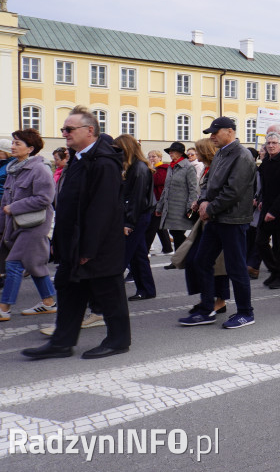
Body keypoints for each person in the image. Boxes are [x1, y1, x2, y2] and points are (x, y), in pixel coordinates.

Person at [23, 106, 130, 359]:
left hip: (97, 245)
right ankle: (62, 342)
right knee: (69, 288)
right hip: (75, 241)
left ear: (89, 131)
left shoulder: (103, 162)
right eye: (63, 129)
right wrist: (60, 242)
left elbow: (101, 210)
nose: (64, 133)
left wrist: (88, 249)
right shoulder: (80, 158)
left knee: (109, 292)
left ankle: (118, 340)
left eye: (69, 129)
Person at [178, 117, 257, 329]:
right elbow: (208, 184)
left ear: (230, 131)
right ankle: (207, 309)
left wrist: (208, 208)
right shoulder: (222, 153)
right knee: (201, 261)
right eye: (210, 132)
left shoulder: (242, 155)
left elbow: (234, 191)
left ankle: (245, 312)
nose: (211, 136)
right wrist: (203, 201)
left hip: (233, 219)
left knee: (236, 267)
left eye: (215, 132)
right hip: (216, 218)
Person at [0, 129, 57, 321]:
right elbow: (5, 203)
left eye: (18, 143)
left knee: (14, 263)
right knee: (33, 264)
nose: (13, 146)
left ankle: (4, 308)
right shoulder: (13, 169)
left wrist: (14, 208)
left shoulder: (40, 169)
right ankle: (49, 302)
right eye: (13, 142)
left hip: (35, 224)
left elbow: (44, 199)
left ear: (30, 149)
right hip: (16, 224)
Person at [114, 134, 158, 301]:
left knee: (124, 255)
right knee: (138, 255)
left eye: (118, 149)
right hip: (137, 215)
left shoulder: (138, 168)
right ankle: (147, 289)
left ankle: (109, 295)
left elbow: (137, 199)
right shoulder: (136, 167)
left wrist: (129, 222)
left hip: (136, 217)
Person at [256, 132, 280, 290]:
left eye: (274, 143)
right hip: (266, 208)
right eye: (269, 143)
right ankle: (275, 271)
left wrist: (273, 211)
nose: (271, 145)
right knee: (260, 242)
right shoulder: (266, 162)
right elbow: (264, 187)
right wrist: (261, 201)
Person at [156, 141, 199, 250]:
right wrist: (160, 207)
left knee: (176, 232)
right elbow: (166, 188)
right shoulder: (171, 167)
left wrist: (190, 208)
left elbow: (193, 188)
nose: (170, 154)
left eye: (173, 151)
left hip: (182, 207)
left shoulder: (188, 167)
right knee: (174, 232)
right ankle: (180, 258)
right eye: (169, 152)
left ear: (180, 153)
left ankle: (186, 254)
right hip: (170, 208)